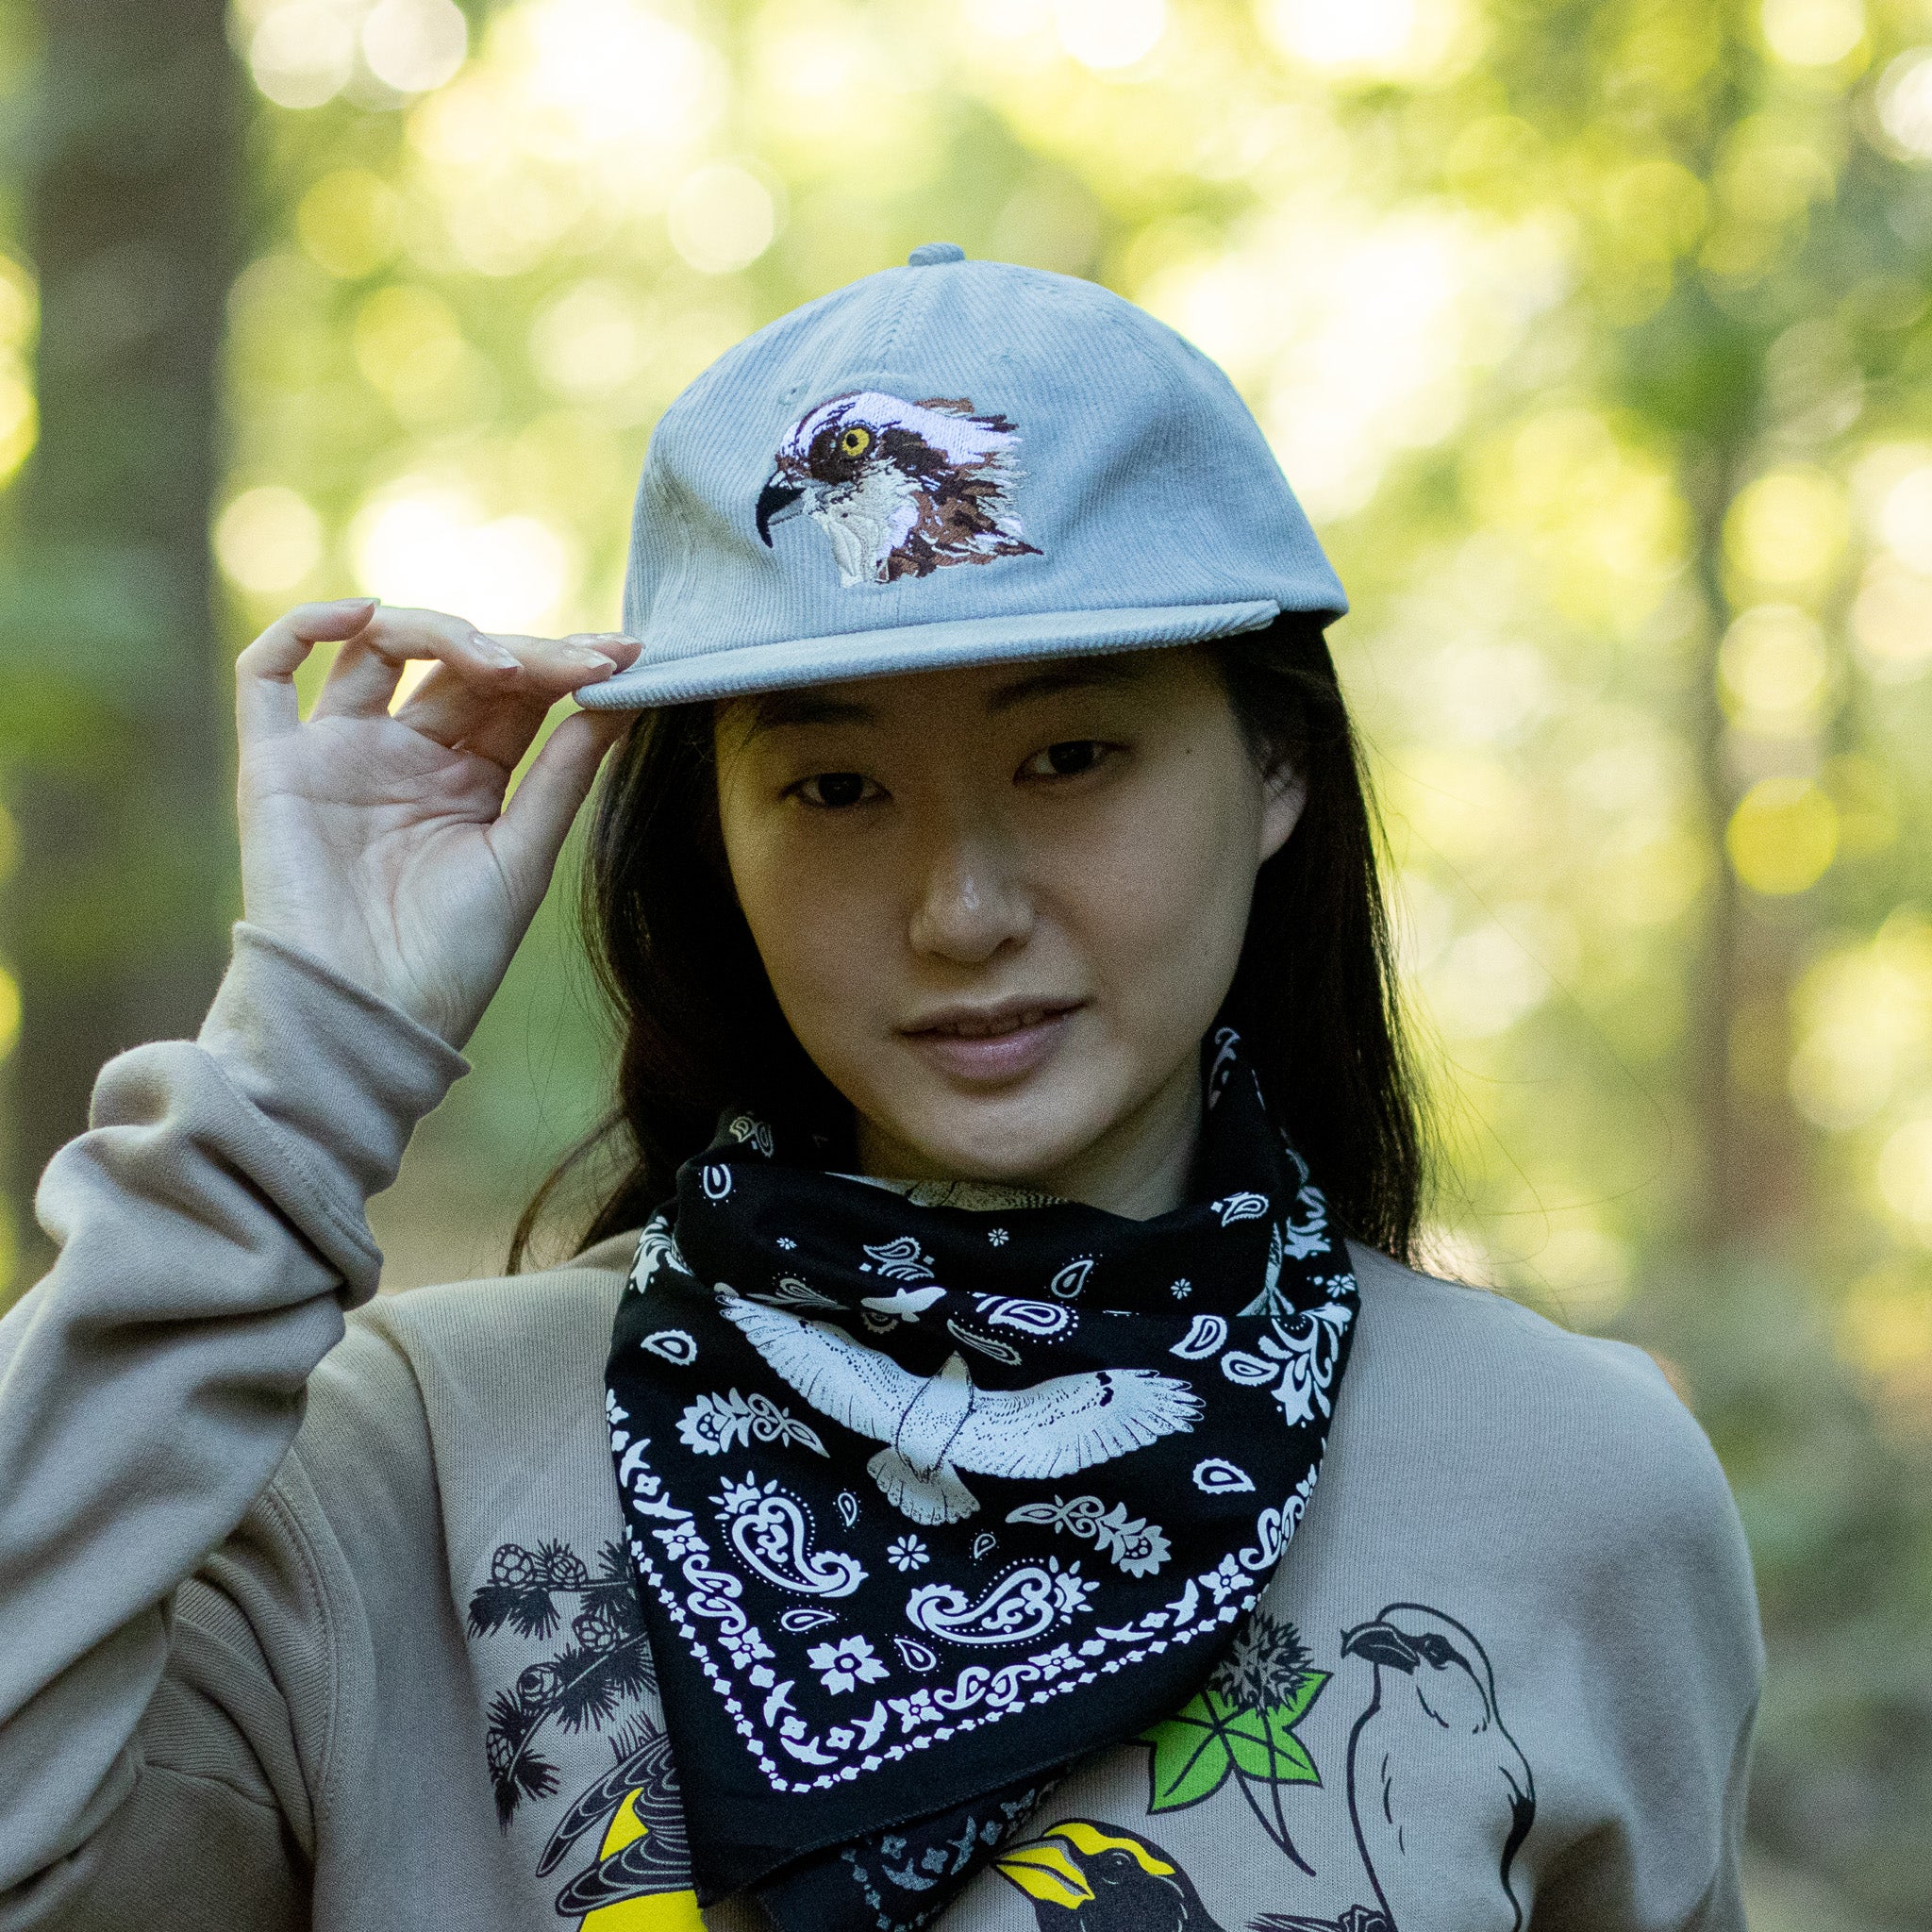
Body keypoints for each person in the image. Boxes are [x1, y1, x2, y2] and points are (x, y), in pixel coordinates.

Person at [0, 246, 1759, 1932]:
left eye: (1072, 757)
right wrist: (299, 1072)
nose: (962, 910)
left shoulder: (1575, 1489)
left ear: (1277, 766)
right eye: (836, 790)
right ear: (719, 843)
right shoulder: (402, 1467)